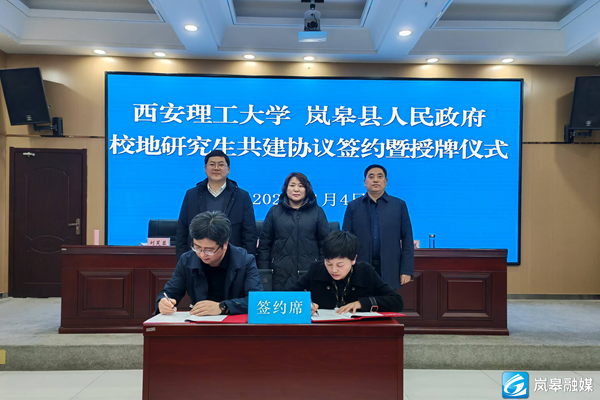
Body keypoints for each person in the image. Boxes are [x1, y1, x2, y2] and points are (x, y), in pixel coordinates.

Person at [156, 211, 263, 316]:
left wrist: (223, 307)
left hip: (234, 324)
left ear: (225, 244)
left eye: (209, 250)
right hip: (200, 323)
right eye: (197, 247)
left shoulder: (245, 261)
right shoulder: (187, 260)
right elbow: (170, 292)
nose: (202, 254)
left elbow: (257, 301)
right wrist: (163, 302)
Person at [290, 230, 403, 314]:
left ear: (353, 259)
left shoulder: (366, 272)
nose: (334, 270)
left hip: (358, 331)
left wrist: (362, 303)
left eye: (340, 265)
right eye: (329, 263)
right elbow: (288, 296)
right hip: (323, 330)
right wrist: (306, 305)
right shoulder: (316, 270)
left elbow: (397, 301)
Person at [176, 150, 257, 262]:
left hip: (231, 261)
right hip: (197, 259)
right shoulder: (192, 195)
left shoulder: (242, 196)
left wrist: (246, 263)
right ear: (205, 168)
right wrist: (182, 262)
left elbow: (249, 234)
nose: (216, 168)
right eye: (212, 164)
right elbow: (182, 231)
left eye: (221, 164)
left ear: (228, 169)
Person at [342, 164, 414, 289]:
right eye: (371, 177)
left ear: (386, 181)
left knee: (387, 300)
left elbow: (407, 239)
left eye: (379, 176)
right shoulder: (353, 206)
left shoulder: (399, 205)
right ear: (365, 182)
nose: (375, 180)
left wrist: (406, 270)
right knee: (361, 300)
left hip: (391, 268)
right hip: (360, 266)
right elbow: (345, 241)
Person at [257, 172, 329, 290]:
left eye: (301, 186)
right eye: (292, 185)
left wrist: (322, 270)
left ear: (307, 189)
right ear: (286, 189)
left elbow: (325, 245)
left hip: (309, 273)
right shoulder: (274, 212)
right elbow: (265, 245)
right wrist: (265, 272)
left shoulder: (317, 212)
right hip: (279, 274)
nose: (296, 189)